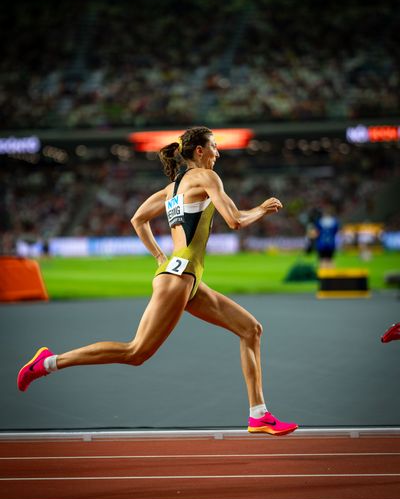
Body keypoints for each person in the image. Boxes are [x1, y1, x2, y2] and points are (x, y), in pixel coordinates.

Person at [17, 126, 298, 436]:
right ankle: (48, 363)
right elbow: (235, 220)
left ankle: (259, 414)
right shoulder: (206, 177)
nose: (218, 153)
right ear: (199, 152)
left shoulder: (172, 188)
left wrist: (160, 257)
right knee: (135, 352)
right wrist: (261, 208)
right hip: (179, 278)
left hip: (184, 277)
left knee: (250, 329)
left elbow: (138, 219)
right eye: (214, 147)